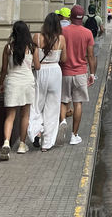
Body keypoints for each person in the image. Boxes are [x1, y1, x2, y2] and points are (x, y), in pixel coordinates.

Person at [0, 21, 40, 160]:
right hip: (27, 82)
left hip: (12, 82)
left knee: (10, 116)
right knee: (25, 115)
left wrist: (1, 84)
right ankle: (22, 145)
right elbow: (37, 66)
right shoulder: (32, 47)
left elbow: (4, 69)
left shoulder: (8, 48)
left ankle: (6, 143)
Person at [28, 12, 67, 151]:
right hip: (55, 72)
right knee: (52, 108)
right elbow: (63, 59)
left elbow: (32, 57)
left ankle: (36, 132)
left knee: (36, 105)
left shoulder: (37, 37)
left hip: (40, 72)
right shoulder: (61, 39)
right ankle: (47, 144)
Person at [60, 5, 96, 145]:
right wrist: (92, 74)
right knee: (78, 103)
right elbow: (91, 55)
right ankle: (74, 135)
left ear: (70, 16)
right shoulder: (87, 33)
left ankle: (62, 121)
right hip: (80, 72)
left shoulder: (63, 31)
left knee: (63, 101)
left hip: (65, 71)